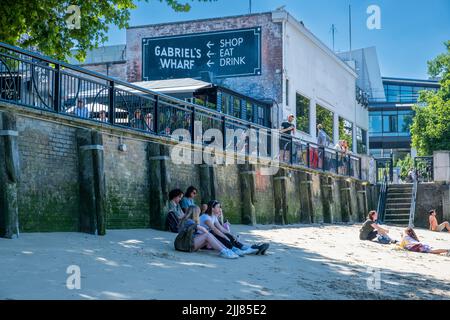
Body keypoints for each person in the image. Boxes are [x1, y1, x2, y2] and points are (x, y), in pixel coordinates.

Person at [201, 200, 265, 256]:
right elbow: (214, 229)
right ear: (212, 208)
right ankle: (235, 249)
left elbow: (221, 228)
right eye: (218, 207)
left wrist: (231, 235)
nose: (219, 208)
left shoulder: (213, 216)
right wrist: (224, 237)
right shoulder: (206, 218)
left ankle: (243, 247)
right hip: (203, 241)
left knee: (224, 234)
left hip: (209, 240)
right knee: (215, 233)